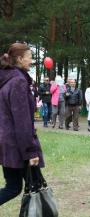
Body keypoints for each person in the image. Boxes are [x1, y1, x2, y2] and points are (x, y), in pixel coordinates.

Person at [0, 43, 44, 205]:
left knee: (13, 187)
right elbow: (22, 121)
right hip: (19, 145)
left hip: (8, 142)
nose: (32, 61)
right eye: (30, 57)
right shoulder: (18, 81)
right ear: (19, 59)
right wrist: (31, 152)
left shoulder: (7, 78)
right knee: (35, 186)